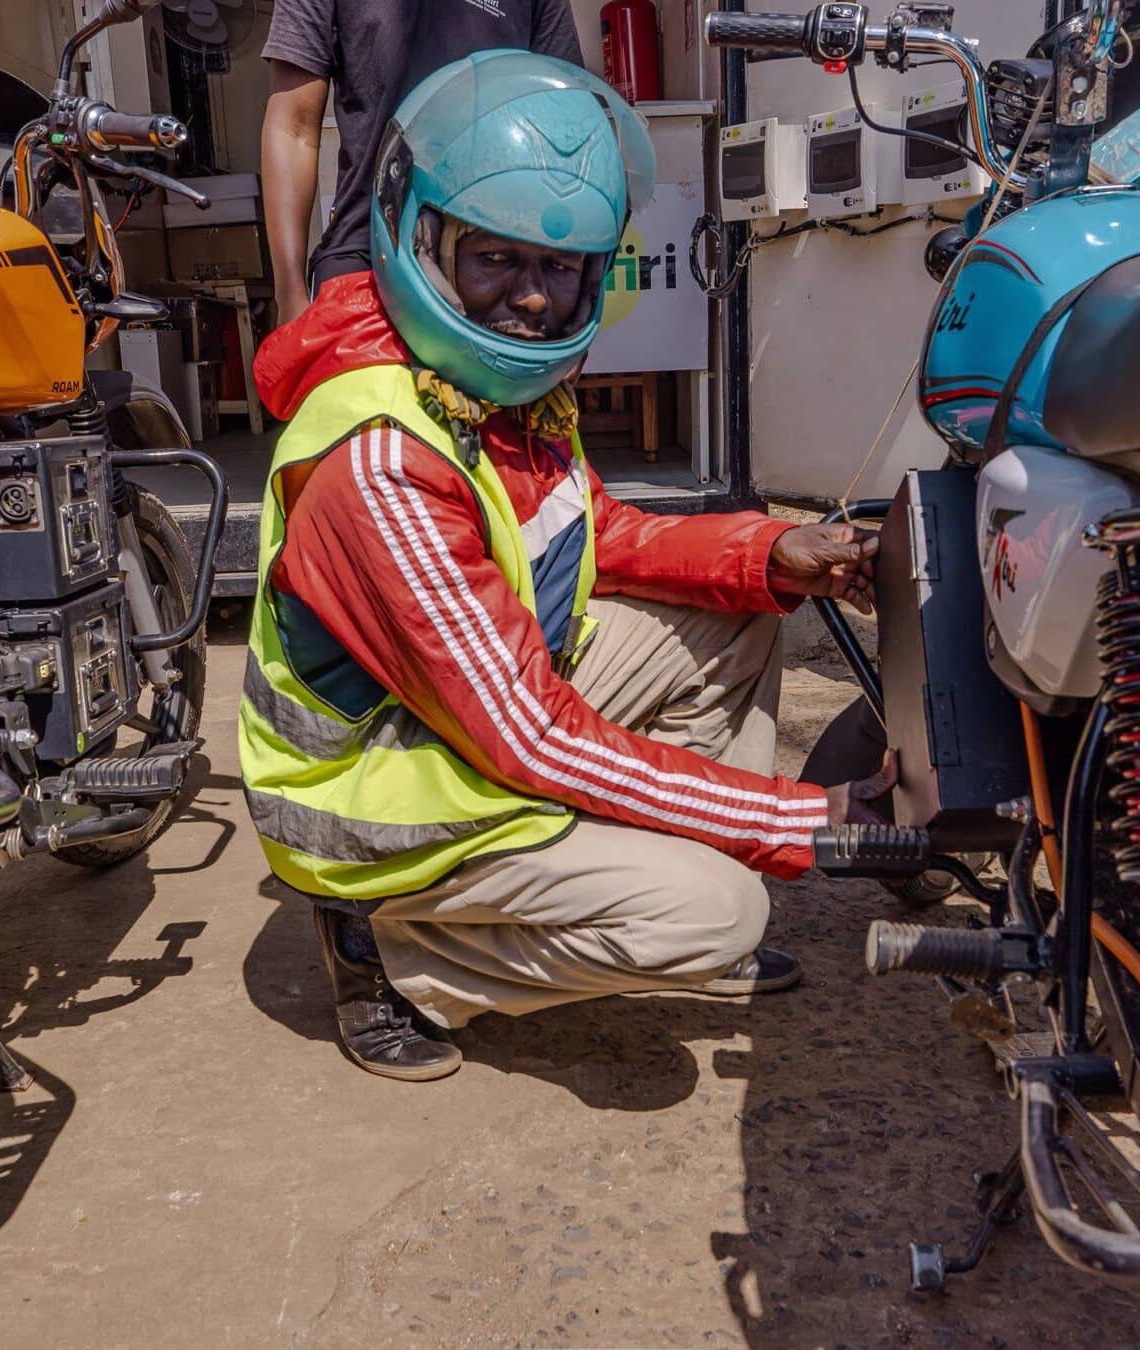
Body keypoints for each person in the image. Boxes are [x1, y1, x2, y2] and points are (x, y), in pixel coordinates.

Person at [242, 52, 887, 1082]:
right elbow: (531, 738)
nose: (532, 301)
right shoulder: (384, 460)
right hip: (381, 800)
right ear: (421, 242)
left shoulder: (485, 393)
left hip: (462, 719)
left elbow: (601, 537)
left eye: (560, 271)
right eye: (495, 259)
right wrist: (802, 821)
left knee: (741, 615)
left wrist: (771, 550)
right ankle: (396, 954)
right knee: (720, 912)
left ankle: (622, 866)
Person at [258, 0, 583, 329]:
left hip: (496, 274)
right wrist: (289, 293)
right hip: (366, 262)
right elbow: (293, 127)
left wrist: (579, 306)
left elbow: (570, 130)